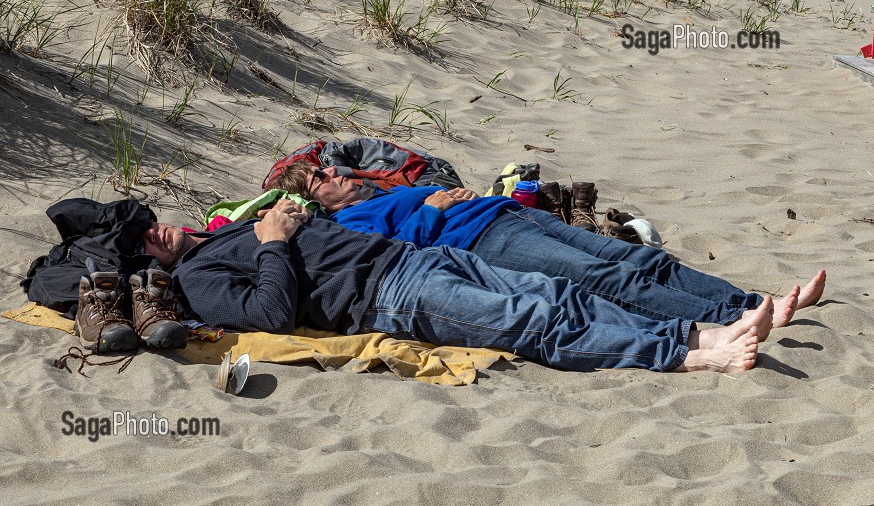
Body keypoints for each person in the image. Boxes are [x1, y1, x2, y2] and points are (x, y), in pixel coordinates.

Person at [141, 210, 768, 374]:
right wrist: (276, 242)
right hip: (387, 294)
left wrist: (296, 224)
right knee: (528, 318)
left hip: (415, 257)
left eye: (151, 223)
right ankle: (687, 354)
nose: (157, 232)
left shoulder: (221, 234)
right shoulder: (195, 281)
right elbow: (270, 316)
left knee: (558, 291)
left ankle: (702, 329)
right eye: (143, 242)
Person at [269, 162, 824, 339]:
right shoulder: (346, 223)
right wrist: (433, 209)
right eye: (318, 179)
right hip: (482, 240)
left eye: (326, 168)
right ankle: (735, 317)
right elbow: (397, 259)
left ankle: (752, 298)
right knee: (606, 279)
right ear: (310, 201)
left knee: (638, 259)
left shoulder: (381, 188)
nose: (332, 175)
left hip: (507, 214)